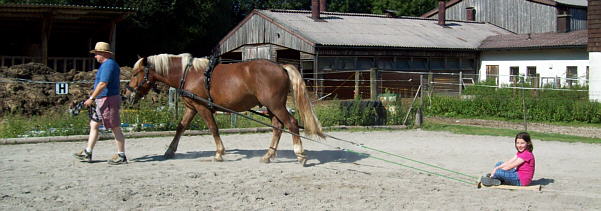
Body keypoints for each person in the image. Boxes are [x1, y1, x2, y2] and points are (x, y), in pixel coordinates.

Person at [73, 41, 127, 165]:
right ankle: (88, 152)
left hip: (108, 100)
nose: (95, 56)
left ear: (103, 53)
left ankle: (121, 155)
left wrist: (92, 97)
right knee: (94, 124)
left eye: (97, 53)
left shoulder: (108, 65)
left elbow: (103, 83)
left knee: (115, 127)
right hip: (104, 100)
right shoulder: (108, 64)